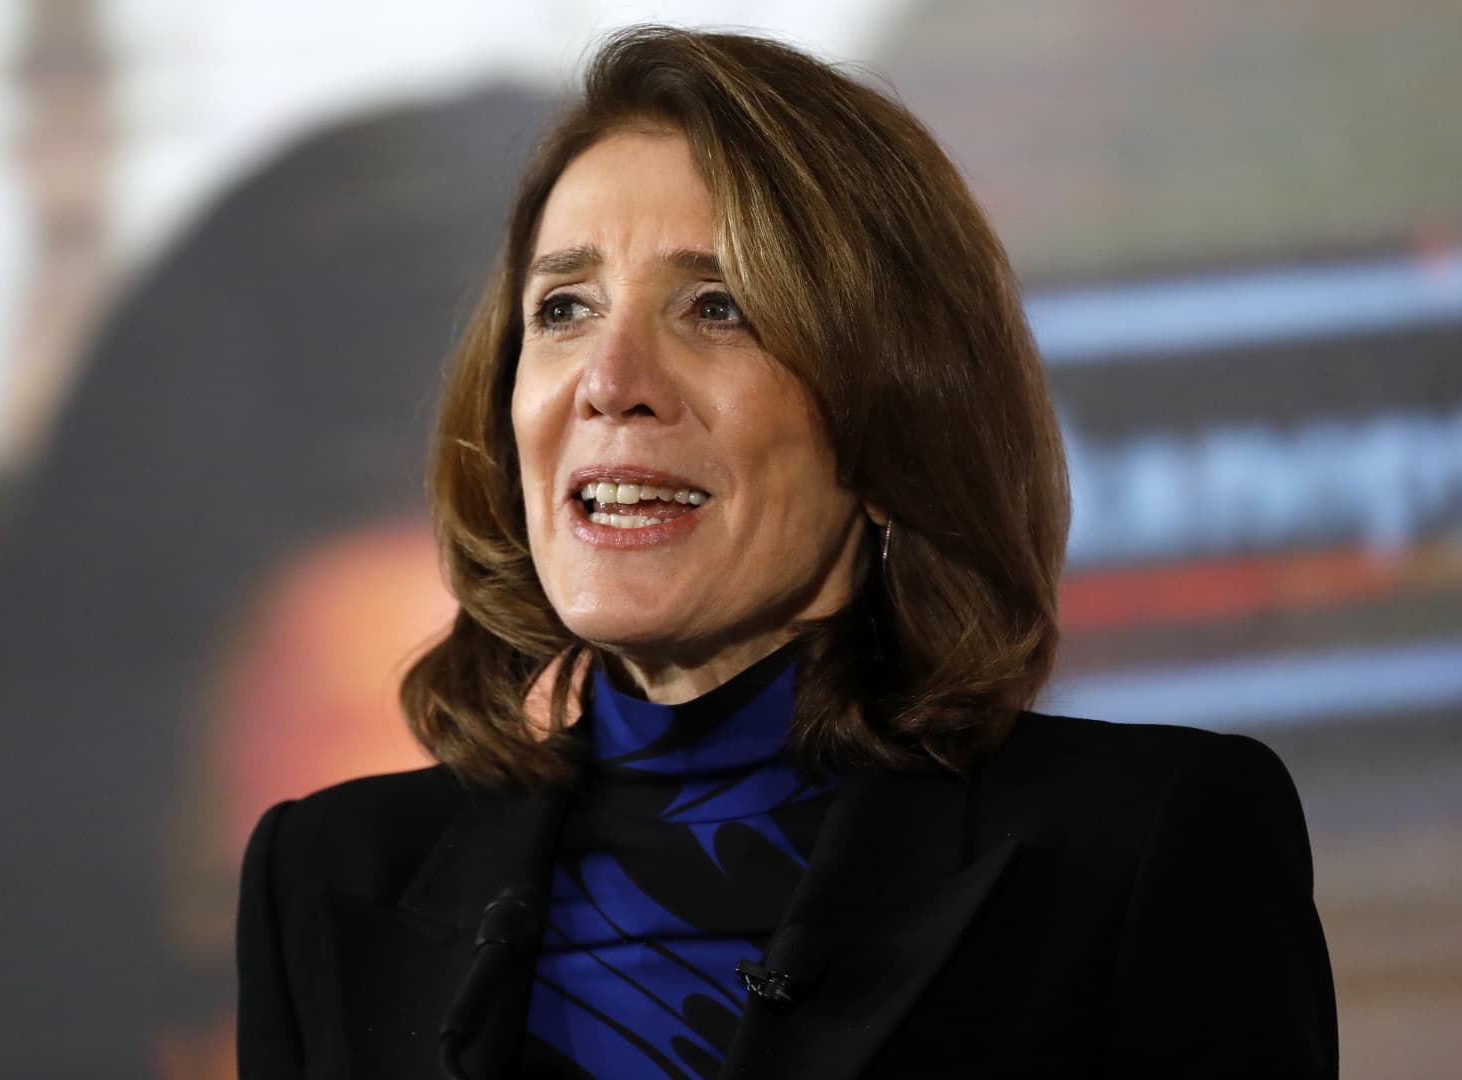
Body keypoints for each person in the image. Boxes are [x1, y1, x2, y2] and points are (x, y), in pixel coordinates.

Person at [236, 25, 1336, 1080]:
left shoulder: (1142, 848)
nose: (610, 382)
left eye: (718, 308)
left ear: (892, 425)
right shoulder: (325, 882)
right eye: (563, 308)